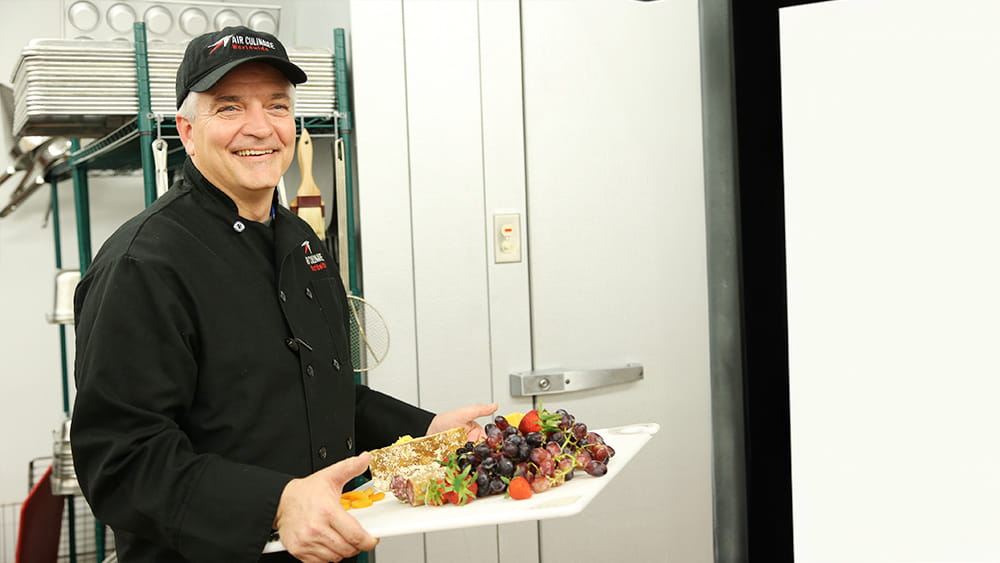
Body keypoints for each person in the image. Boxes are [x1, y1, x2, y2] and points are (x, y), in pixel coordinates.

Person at [70, 26, 497, 563]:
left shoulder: (300, 240)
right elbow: (121, 460)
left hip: (326, 546)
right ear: (186, 130)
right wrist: (274, 503)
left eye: (276, 105)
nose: (260, 127)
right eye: (229, 108)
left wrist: (423, 435)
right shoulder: (144, 263)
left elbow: (324, 394)